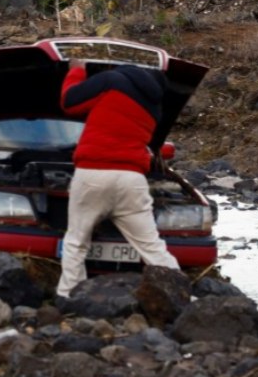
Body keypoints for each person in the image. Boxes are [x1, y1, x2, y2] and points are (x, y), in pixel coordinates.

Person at [56, 60, 180, 299]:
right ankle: (179, 294)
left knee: (76, 241)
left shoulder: (111, 81)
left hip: (93, 172)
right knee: (151, 247)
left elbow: (69, 102)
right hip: (131, 179)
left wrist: (77, 69)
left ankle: (69, 295)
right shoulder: (155, 105)